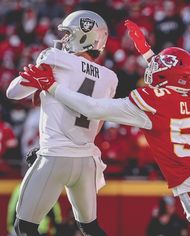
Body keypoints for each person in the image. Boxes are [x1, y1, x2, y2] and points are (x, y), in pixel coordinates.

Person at [18, 20, 190, 235]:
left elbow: (92, 108)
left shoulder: (153, 102)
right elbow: (176, 79)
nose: (154, 68)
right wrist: (147, 52)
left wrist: (51, 86)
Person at [6, 10, 118, 236]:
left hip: (55, 156)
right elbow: (98, 123)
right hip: (87, 160)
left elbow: (12, 92)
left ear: (83, 36)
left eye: (69, 34)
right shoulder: (110, 77)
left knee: (24, 227)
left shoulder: (55, 58)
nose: (65, 39)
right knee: (90, 227)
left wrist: (40, 74)